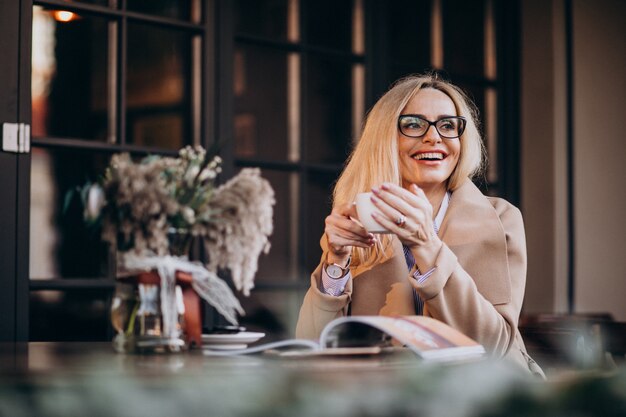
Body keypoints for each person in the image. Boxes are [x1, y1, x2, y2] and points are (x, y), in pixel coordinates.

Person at [296, 73, 544, 377]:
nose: (434, 137)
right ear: (385, 138)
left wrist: (427, 245)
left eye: (448, 125)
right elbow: (309, 346)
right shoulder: (358, 217)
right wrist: (335, 263)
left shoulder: (502, 218)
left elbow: (493, 345)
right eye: (413, 124)